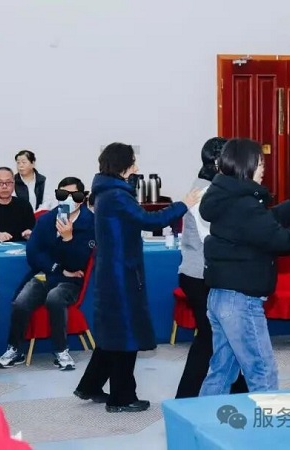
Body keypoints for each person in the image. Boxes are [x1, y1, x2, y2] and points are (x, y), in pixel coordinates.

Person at [198, 138, 290, 396]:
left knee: (222, 371)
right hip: (241, 301)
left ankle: (203, 419)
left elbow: (262, 225)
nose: (264, 169)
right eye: (260, 163)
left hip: (221, 296)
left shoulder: (226, 196)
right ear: (247, 165)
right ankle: (267, 421)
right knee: (262, 371)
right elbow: (283, 241)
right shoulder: (244, 204)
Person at [75, 143, 200, 412]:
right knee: (125, 335)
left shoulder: (106, 191)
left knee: (113, 332)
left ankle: (90, 385)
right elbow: (150, 221)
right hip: (121, 274)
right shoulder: (117, 195)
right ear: (123, 165)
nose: (137, 168)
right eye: (133, 163)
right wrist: (183, 204)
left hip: (113, 272)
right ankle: (121, 398)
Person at [174, 137, 248, 399]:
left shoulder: (211, 187)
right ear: (219, 162)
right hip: (200, 274)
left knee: (222, 336)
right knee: (210, 337)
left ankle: (239, 389)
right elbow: (212, 237)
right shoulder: (205, 193)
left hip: (202, 272)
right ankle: (186, 397)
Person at [0, 177, 95, 371]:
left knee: (55, 298)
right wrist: (58, 268)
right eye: (62, 195)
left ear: (82, 198)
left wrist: (68, 239)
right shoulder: (47, 219)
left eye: (74, 195)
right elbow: (33, 253)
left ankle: (61, 351)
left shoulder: (90, 222)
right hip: (47, 275)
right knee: (21, 302)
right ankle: (14, 349)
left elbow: (78, 262)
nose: (68, 199)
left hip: (71, 281)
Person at [0, 167, 36, 242]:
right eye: (0, 183)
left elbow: (34, 230)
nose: (4, 186)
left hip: (21, 248)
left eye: (8, 182)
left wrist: (30, 234)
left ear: (14, 184)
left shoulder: (24, 205)